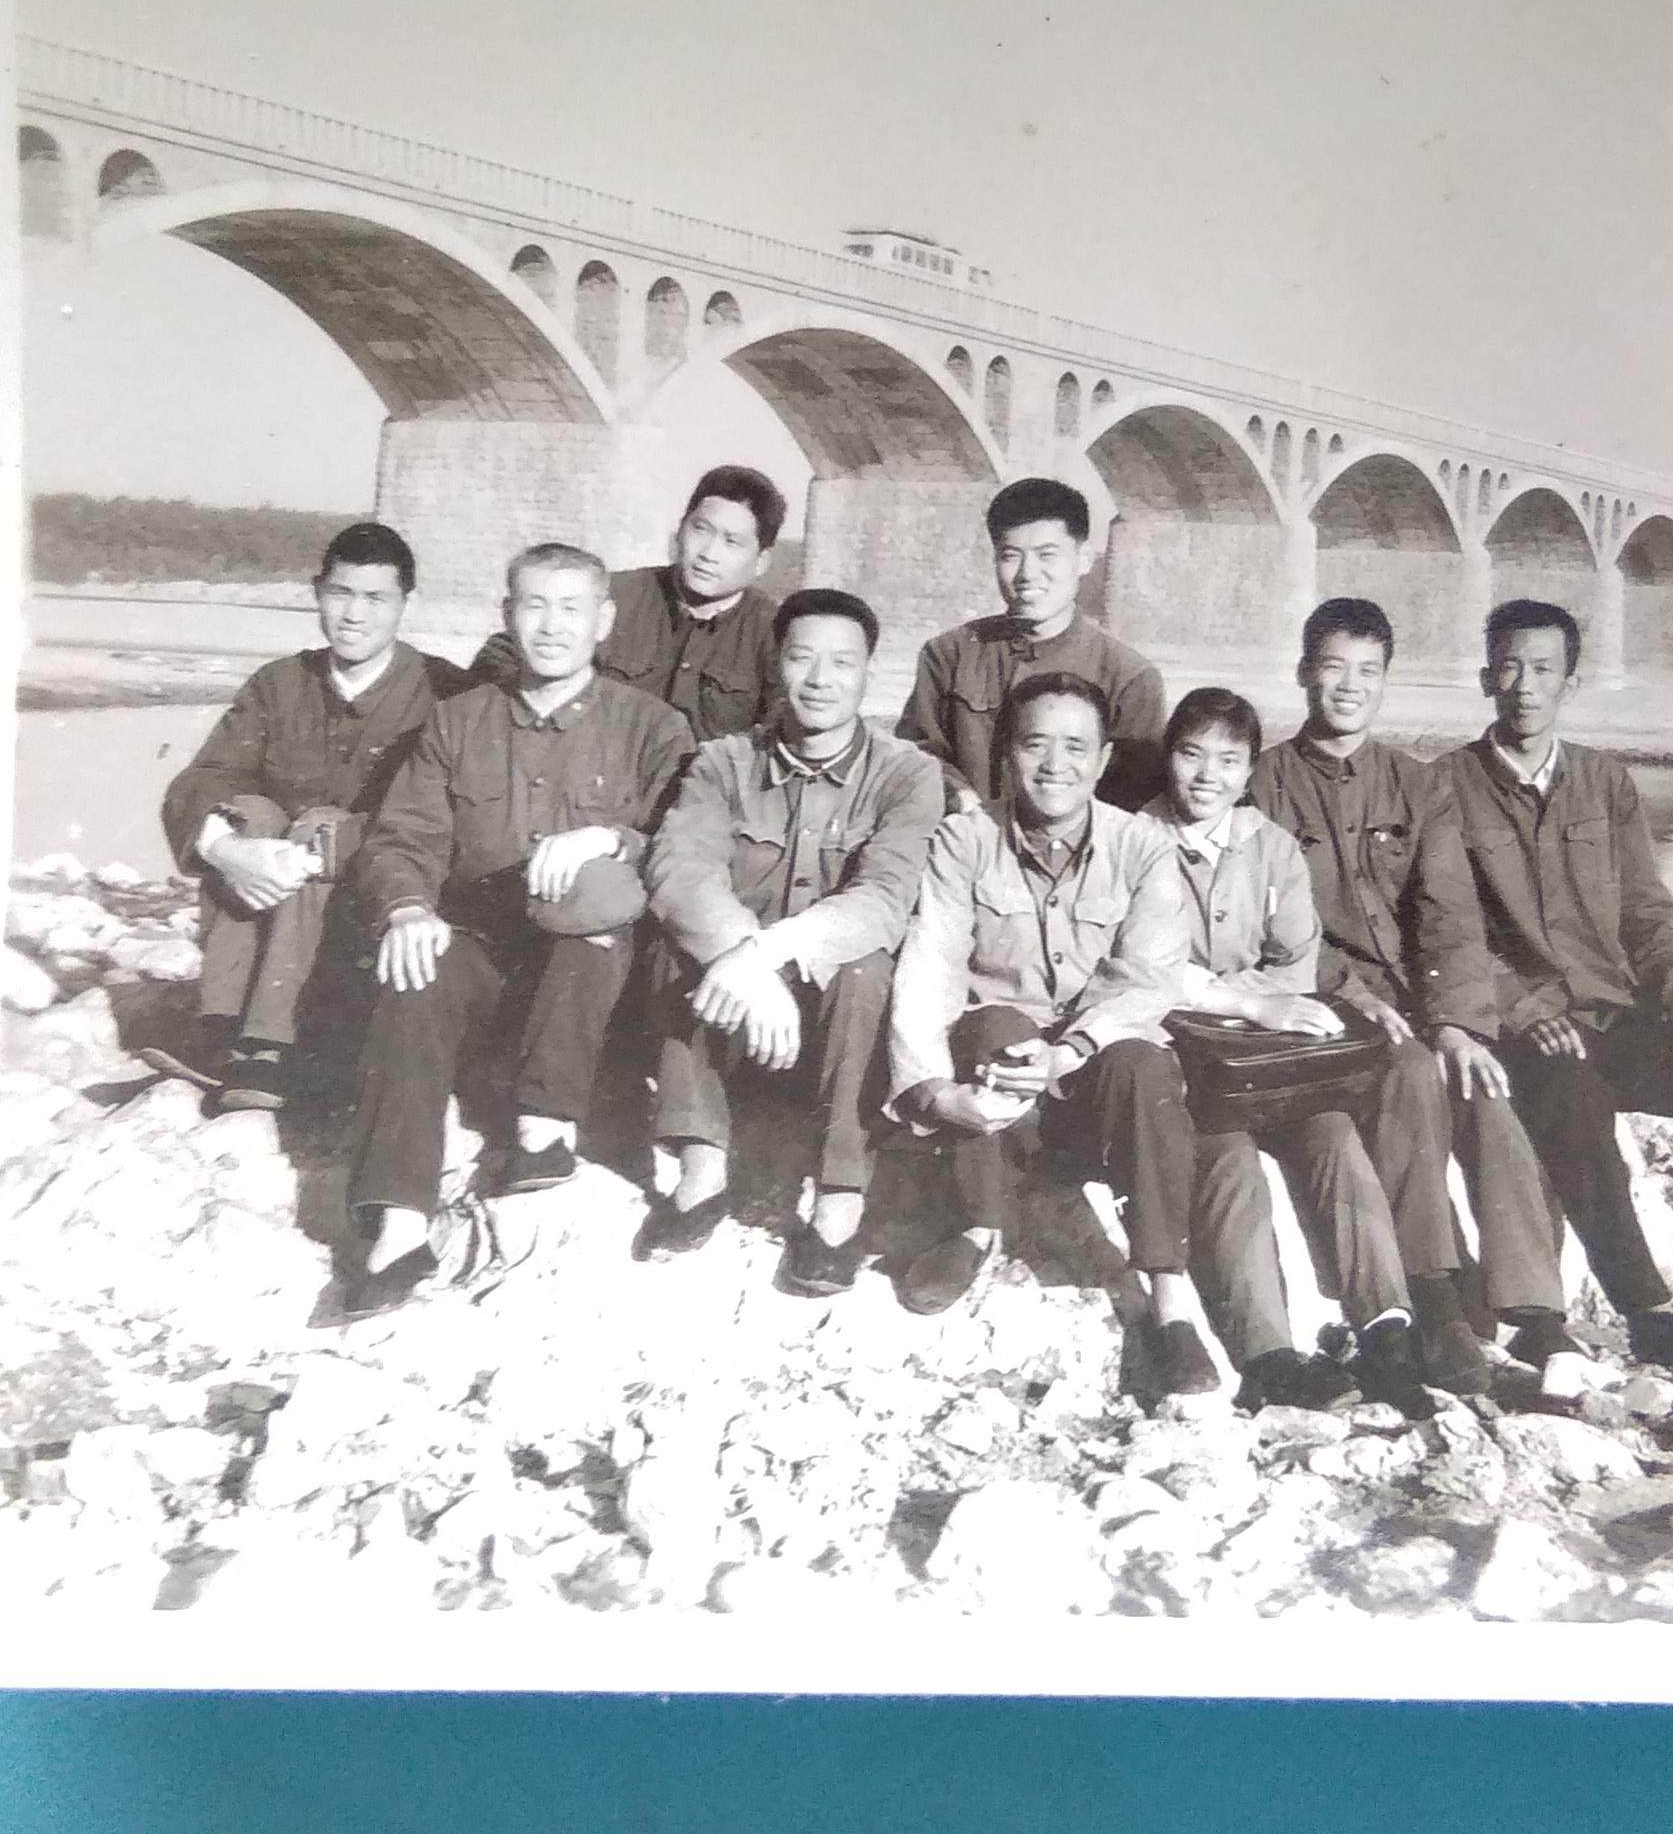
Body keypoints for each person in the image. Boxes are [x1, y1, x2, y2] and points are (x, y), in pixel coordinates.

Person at [1430, 596, 1673, 1365]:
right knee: (1574, 1100)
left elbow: (1648, 914)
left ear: (1569, 682)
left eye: (1543, 668)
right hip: (1530, 1029)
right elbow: (1448, 928)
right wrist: (1518, 1006)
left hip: (1617, 1017)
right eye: (1508, 665)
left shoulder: (1605, 783)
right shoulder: (1444, 786)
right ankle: (1645, 1303)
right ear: (1485, 676)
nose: (1524, 685)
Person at [346, 543, 698, 1307]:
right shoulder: (457, 723)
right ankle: (398, 1226)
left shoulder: (653, 727)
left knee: (595, 911)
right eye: (533, 605)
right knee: (416, 965)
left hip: (593, 982)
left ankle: (545, 1131)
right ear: (507, 614)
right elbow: (403, 836)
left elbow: (684, 843)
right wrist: (406, 907)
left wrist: (608, 838)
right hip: (483, 946)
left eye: (571, 608)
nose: (551, 626)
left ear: (603, 621)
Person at [881, 671, 1220, 1399]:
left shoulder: (1142, 847)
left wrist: (1069, 1049)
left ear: (1103, 761)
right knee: (997, 1024)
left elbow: (1149, 978)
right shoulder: (965, 839)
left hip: (1090, 1078)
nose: (1054, 764)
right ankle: (979, 1227)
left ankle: (1169, 1294)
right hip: (996, 1085)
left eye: (1077, 747)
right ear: (1007, 752)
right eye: (1036, 743)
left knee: (1145, 1063)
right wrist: (930, 1090)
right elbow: (931, 960)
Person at [1245, 595, 1552, 1383]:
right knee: (1410, 1070)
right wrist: (1348, 989)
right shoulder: (1262, 784)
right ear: (1304, 674)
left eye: (1368, 672)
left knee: (1484, 1085)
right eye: (1334, 668)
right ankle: (1436, 1297)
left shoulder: (1417, 786)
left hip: (1415, 1000)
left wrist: (1456, 1022)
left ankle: (1535, 1313)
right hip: (1316, 998)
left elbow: (1449, 916)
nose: (1350, 687)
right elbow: (1262, 925)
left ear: (1385, 683)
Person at [641, 587, 949, 1287]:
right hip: (736, 1008)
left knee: (867, 964)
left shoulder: (908, 774)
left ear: (870, 672)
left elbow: (885, 898)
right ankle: (702, 1165)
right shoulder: (723, 762)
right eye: (802, 658)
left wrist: (765, 953)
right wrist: (744, 962)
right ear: (775, 664)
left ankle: (839, 1196)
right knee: (676, 942)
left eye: (842, 662)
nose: (820, 679)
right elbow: (681, 870)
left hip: (836, 1011)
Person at [1149, 688, 1443, 1412]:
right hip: (1182, 1060)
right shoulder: (1132, 840)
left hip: (1270, 1059)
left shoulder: (1272, 847)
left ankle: (1387, 1328)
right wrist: (1236, 997)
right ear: (1169, 759)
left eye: (1228, 761)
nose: (1207, 776)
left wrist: (1226, 990)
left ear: (1249, 772)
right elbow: (1135, 966)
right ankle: (1268, 1353)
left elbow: (1298, 962)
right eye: (1191, 755)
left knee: (1334, 1135)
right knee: (1229, 1160)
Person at [153, 519, 475, 1113]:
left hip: (367, 907)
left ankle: (270, 1043)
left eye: (376, 598)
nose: (354, 615)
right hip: (270, 901)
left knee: (321, 828)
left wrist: (328, 845)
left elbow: (444, 817)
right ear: (317, 593)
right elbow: (200, 780)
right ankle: (219, 1023)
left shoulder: (444, 692)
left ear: (405, 603)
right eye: (341, 593)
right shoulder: (280, 684)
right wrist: (231, 850)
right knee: (245, 814)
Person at [897, 475, 1173, 810]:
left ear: (1084, 559)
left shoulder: (1129, 677)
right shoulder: (949, 654)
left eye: (1047, 555)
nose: (1027, 574)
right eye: (1010, 556)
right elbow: (916, 754)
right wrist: (959, 797)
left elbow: (1133, 797)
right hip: (966, 840)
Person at [473, 462, 787, 743]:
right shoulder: (613, 594)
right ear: (679, 530)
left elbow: (784, 726)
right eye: (700, 529)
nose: (708, 553)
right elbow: (502, 655)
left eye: (731, 542)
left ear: (761, 561)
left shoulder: (776, 631)